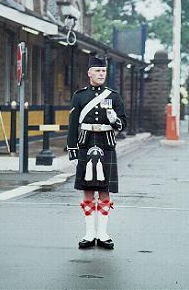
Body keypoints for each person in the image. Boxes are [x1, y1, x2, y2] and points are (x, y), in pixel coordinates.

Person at [67, 56, 127, 249]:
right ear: (89, 73)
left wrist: (114, 118)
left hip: (106, 145)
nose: (101, 74)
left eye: (103, 71)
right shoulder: (79, 96)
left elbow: (123, 124)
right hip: (85, 145)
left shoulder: (114, 96)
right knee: (87, 191)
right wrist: (73, 149)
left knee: (104, 192)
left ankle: (102, 234)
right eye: (98, 71)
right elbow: (73, 125)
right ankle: (89, 234)